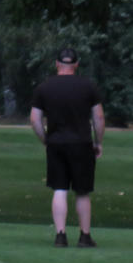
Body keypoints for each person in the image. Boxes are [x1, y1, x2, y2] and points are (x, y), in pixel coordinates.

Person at [30, 47, 104, 248]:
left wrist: (45, 138)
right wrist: (98, 142)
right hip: (81, 143)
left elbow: (35, 119)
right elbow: (98, 117)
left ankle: (60, 235)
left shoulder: (44, 88)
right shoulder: (88, 86)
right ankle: (84, 236)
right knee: (82, 191)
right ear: (76, 65)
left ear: (57, 64)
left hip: (56, 143)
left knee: (60, 189)